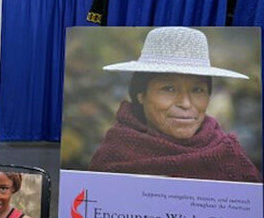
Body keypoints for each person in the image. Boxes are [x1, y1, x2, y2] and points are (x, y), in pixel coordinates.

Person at [89, 27, 261, 182]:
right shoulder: (114, 154)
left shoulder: (228, 155)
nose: (186, 104)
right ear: (141, 95)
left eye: (197, 90)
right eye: (168, 88)